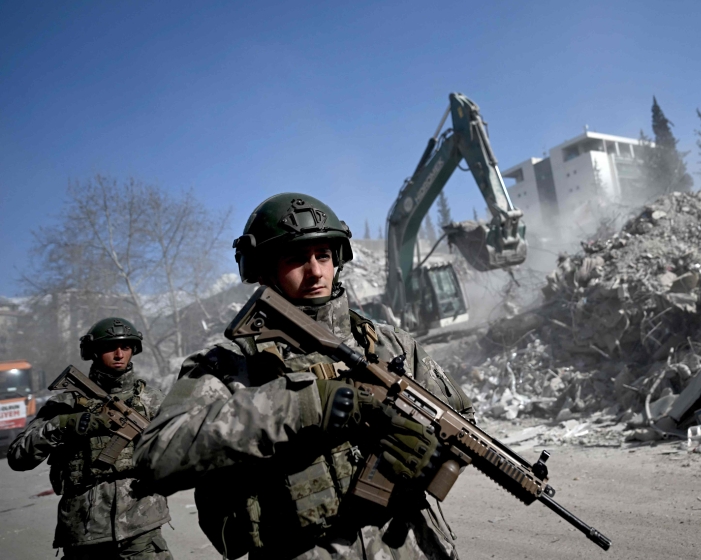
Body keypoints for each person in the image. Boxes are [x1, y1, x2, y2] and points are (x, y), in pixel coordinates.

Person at [134, 193, 475, 560]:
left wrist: (429, 451)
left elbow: (462, 424)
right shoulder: (229, 365)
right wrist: (302, 405)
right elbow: (157, 454)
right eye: (296, 259)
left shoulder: (391, 345)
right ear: (264, 271)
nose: (315, 271)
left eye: (323, 256)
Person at [7, 317, 172, 559]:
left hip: (142, 529)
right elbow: (18, 457)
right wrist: (65, 424)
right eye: (109, 347)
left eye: (126, 347)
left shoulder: (152, 400)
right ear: (93, 352)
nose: (118, 354)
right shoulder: (65, 404)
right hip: (83, 531)